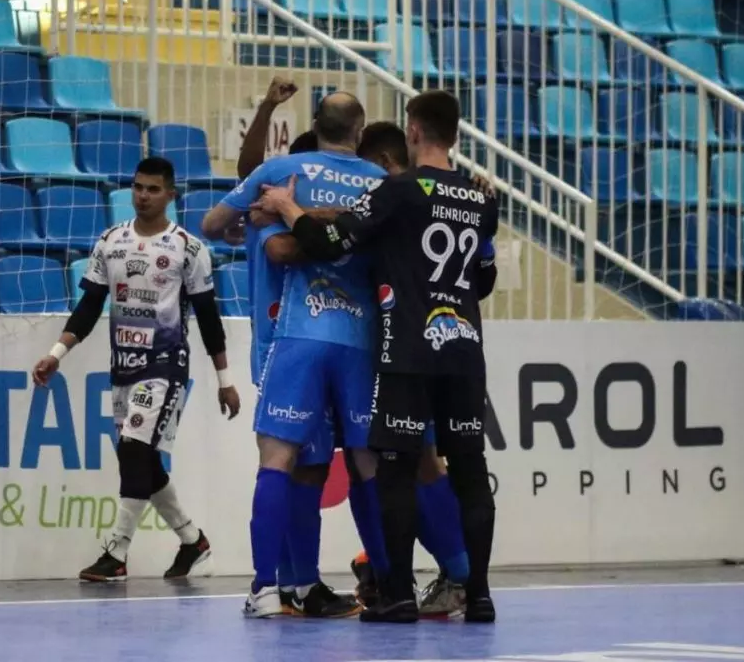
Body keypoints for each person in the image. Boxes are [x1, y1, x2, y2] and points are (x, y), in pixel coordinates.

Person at [254, 90, 499, 624]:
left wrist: (289, 208)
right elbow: (484, 279)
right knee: (469, 470)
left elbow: (331, 239)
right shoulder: (483, 198)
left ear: (414, 131)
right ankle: (478, 593)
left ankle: (398, 595)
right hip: (463, 349)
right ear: (456, 134)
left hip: (407, 348)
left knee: (394, 468)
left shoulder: (398, 191)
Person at [206, 91, 392, 619]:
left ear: (314, 127)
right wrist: (338, 223)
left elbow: (213, 223)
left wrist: (295, 211)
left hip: (295, 337)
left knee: (291, 461)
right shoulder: (380, 184)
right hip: (356, 340)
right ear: (359, 132)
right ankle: (370, 584)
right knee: (354, 462)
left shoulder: (280, 178)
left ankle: (278, 587)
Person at [32, 157, 241, 583]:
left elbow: (208, 318)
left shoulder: (188, 248)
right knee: (140, 459)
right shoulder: (111, 241)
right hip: (123, 368)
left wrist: (225, 381)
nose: (143, 196)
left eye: (153, 189)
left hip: (165, 366)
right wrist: (56, 353)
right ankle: (193, 542)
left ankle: (116, 553)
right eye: (138, 187)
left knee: (133, 450)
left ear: (170, 195)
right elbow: (90, 306)